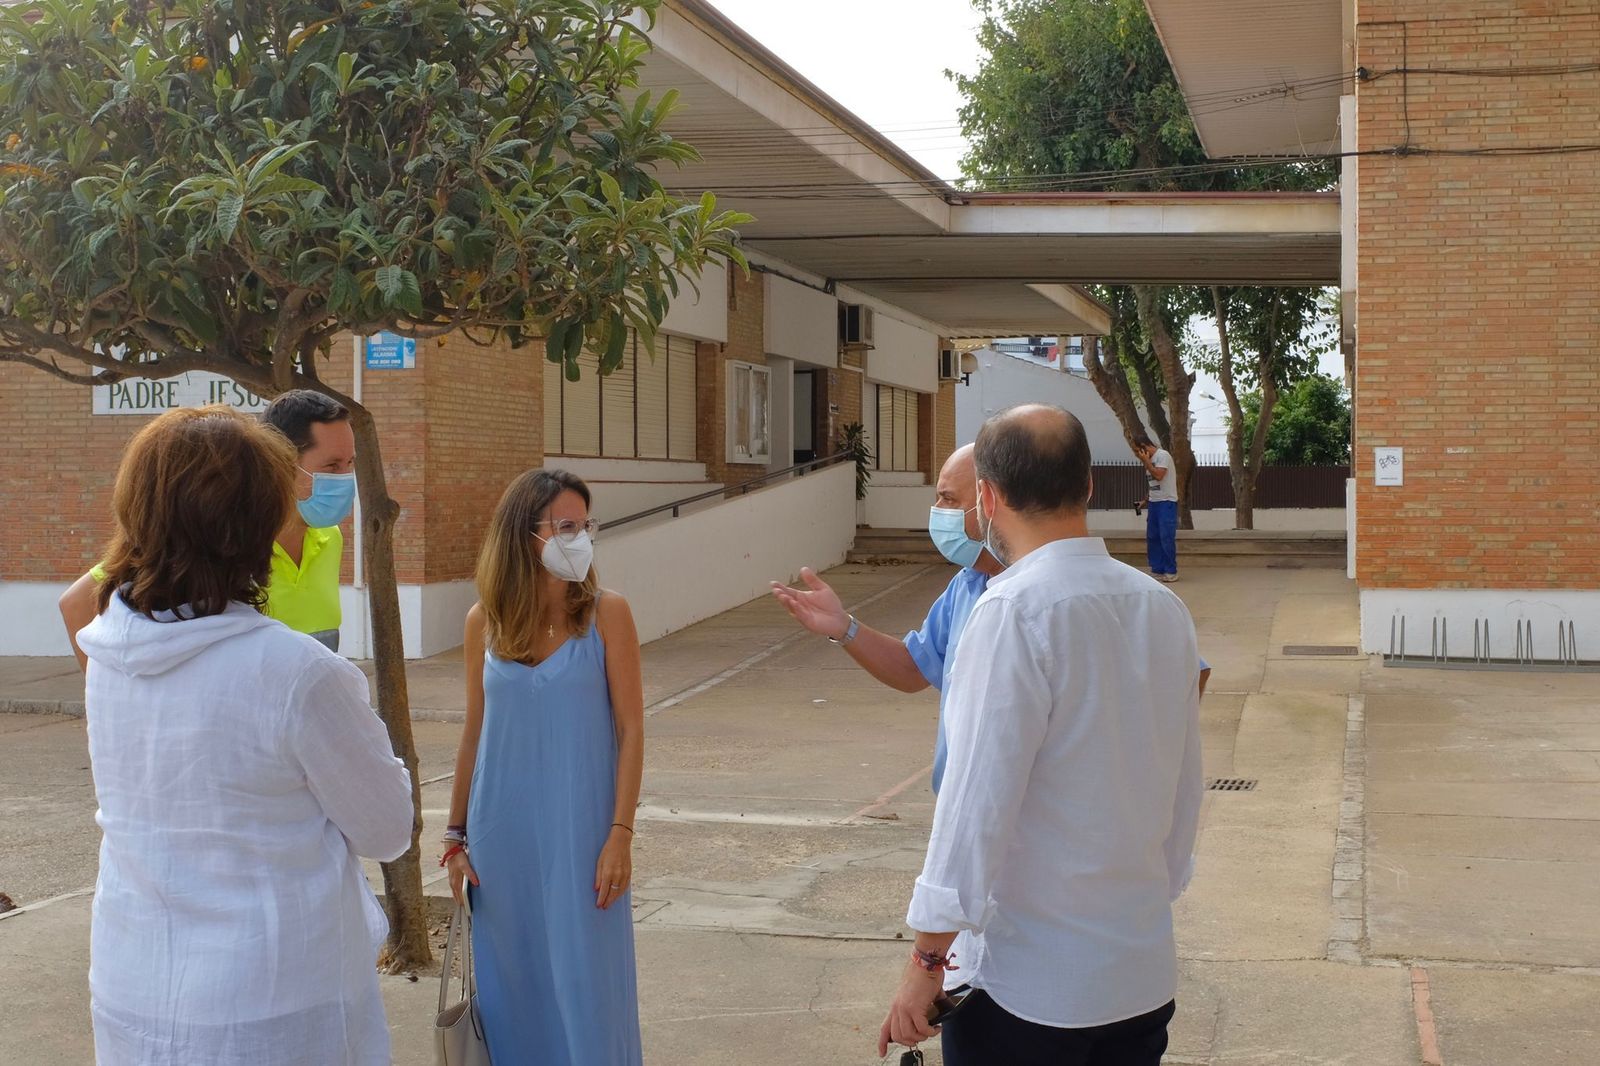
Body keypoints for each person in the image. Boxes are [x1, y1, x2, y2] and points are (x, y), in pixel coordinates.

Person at [74, 406, 413, 1066]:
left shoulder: (109, 656)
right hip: (277, 1004)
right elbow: (386, 828)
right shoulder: (298, 674)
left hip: (134, 986)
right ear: (259, 519)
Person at [880, 404, 1203, 1066]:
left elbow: (974, 808)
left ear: (988, 497)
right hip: (1137, 973)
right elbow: (1183, 789)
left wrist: (926, 957)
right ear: (1087, 485)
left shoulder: (1010, 614)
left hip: (1028, 991)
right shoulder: (1163, 610)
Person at [444, 469, 645, 1066]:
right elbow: (475, 731)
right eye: (565, 526)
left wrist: (621, 833)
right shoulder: (484, 622)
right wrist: (454, 836)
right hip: (499, 840)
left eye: (585, 525)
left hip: (585, 834)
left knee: (588, 990)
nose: (579, 537)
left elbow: (632, 728)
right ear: (522, 534)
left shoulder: (609, 614)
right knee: (513, 989)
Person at [59, 389, 358, 663]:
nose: (345, 478)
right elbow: (76, 603)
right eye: (332, 466)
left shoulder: (330, 538)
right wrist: (108, 692)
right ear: (281, 462)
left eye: (350, 464)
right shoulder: (229, 538)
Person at [771, 444, 1002, 794]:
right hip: (960, 810)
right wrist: (843, 627)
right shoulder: (967, 585)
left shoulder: (1038, 599)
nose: (937, 511)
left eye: (949, 499)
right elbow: (914, 669)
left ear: (989, 502)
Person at [1134, 434, 1179, 582]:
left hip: (1167, 503)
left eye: (1137, 451)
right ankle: (1157, 569)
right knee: (1153, 537)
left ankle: (1171, 571)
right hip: (1154, 503)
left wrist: (1147, 462)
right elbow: (1155, 485)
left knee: (1166, 537)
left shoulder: (1162, 456)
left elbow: (1159, 475)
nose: (1137, 455)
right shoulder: (1150, 461)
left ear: (1144, 447)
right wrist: (1144, 501)